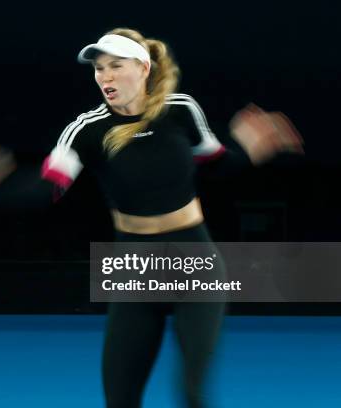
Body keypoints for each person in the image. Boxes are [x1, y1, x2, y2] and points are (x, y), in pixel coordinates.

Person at [40, 28, 303, 407]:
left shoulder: (181, 110)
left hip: (195, 259)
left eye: (116, 65)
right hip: (133, 266)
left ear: (144, 68)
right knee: (120, 399)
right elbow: (49, 187)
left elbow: (219, 164)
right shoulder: (86, 130)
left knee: (193, 394)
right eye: (99, 69)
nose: (105, 77)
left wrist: (247, 148)